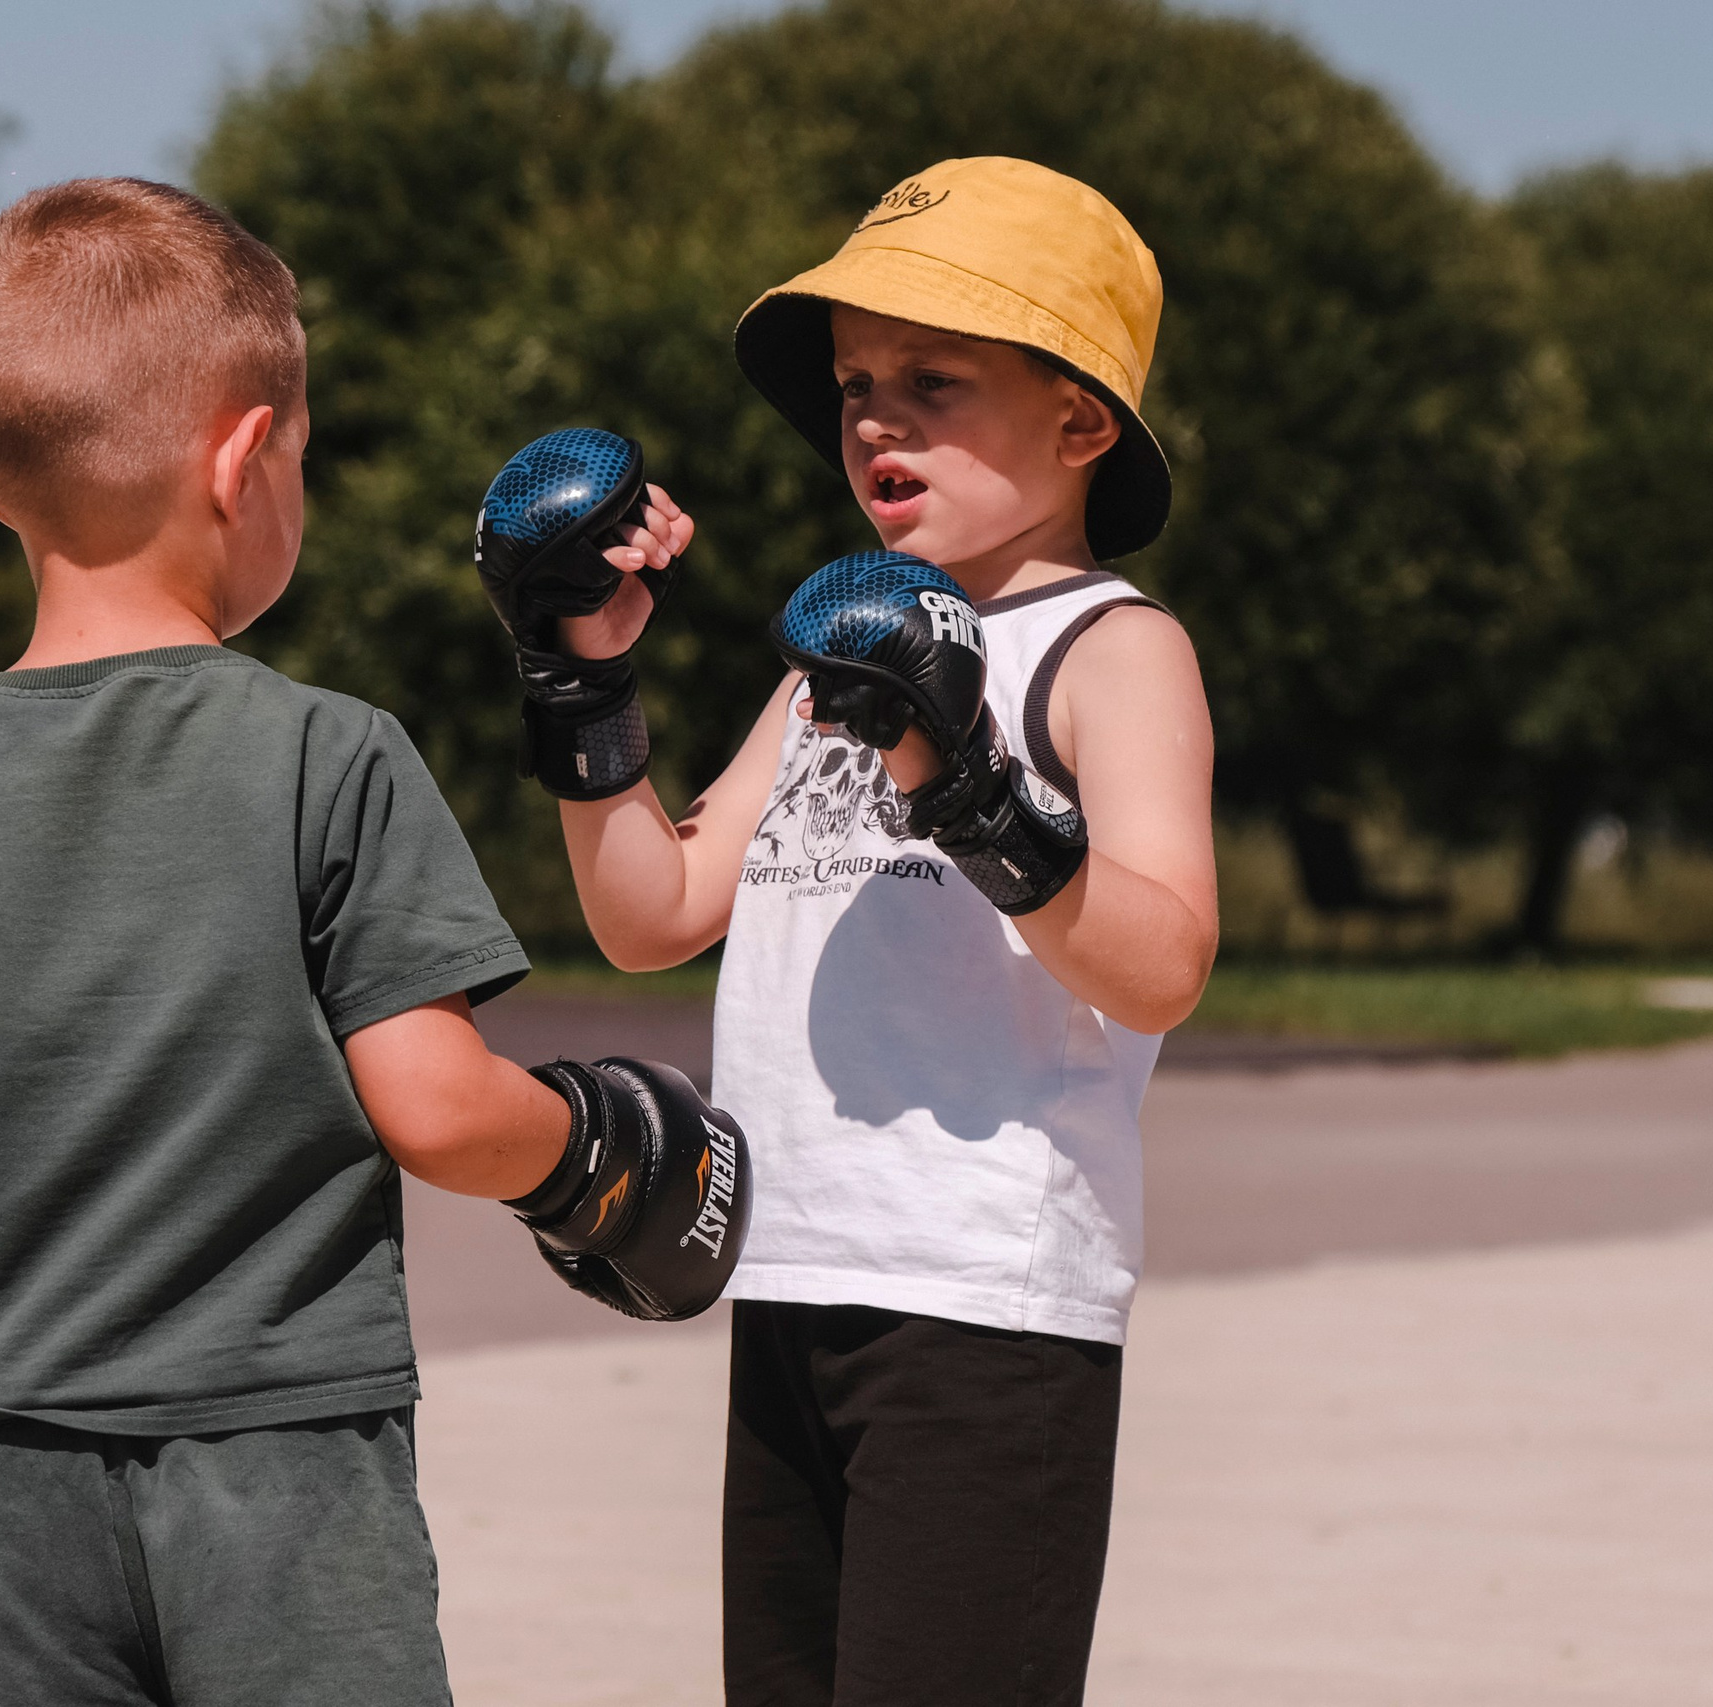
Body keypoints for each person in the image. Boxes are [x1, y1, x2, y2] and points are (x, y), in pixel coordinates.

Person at [0, 176, 741, 1707]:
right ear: (247, 460)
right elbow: (438, 1105)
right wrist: (601, 1154)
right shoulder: (331, 755)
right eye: (305, 461)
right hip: (284, 1468)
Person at [490, 157, 1218, 1703]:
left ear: (1082, 420)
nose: (877, 420)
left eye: (935, 381)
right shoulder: (837, 656)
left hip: (981, 1317)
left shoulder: (1111, 647)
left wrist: (972, 787)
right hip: (790, 1281)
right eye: (855, 386)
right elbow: (651, 911)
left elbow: (1164, 960)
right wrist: (585, 680)